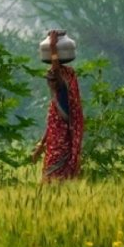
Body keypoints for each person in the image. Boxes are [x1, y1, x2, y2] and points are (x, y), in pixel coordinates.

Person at [31, 30, 85, 181]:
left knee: (56, 174)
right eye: (49, 80)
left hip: (62, 144)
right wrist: (41, 145)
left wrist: (53, 47)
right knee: (52, 176)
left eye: (52, 80)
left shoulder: (62, 90)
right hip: (54, 144)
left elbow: (56, 70)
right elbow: (51, 126)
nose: (50, 82)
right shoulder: (55, 103)